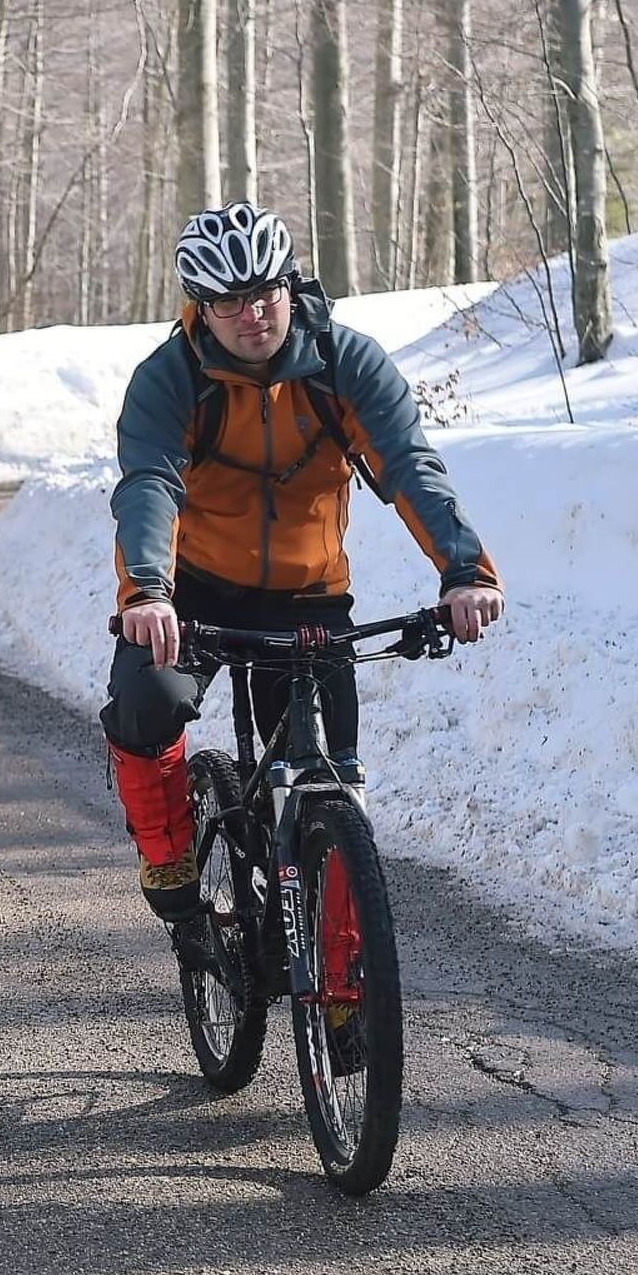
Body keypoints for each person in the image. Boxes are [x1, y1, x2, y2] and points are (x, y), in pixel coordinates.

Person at [102, 199, 504, 951]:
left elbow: (407, 465)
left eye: (265, 292)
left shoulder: (344, 364)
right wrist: (149, 593)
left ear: (290, 285)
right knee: (148, 702)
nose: (252, 315)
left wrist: (463, 571)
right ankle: (168, 854)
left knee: (329, 776)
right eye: (228, 301)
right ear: (200, 307)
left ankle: (347, 982)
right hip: (194, 591)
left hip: (307, 596)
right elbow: (149, 485)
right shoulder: (169, 378)